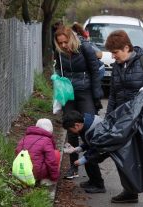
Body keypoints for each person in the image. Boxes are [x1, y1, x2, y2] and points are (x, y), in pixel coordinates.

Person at [105, 30, 143, 207]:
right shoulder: (117, 66)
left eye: (115, 52)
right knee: (124, 156)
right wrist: (109, 118)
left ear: (126, 47)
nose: (113, 56)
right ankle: (130, 192)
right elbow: (113, 94)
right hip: (123, 119)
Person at [54, 26, 103, 180]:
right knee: (71, 130)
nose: (63, 45)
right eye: (59, 43)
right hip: (68, 93)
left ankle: (94, 174)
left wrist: (96, 96)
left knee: (90, 128)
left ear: (72, 39)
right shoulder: (59, 52)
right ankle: (73, 167)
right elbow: (59, 70)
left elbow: (95, 72)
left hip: (85, 90)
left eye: (65, 42)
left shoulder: (85, 48)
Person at [62, 110, 108, 193]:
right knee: (88, 158)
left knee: (91, 159)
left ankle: (99, 185)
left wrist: (81, 160)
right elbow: (89, 142)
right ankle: (92, 181)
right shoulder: (84, 124)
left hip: (106, 146)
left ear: (77, 125)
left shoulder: (94, 129)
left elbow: (95, 148)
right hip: (98, 146)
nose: (71, 132)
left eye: (70, 129)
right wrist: (77, 149)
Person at [15, 118, 60, 185]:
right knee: (55, 154)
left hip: (21, 171)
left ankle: (23, 178)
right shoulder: (47, 140)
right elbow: (51, 161)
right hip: (36, 173)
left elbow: (17, 152)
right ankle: (45, 180)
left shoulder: (25, 138)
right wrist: (54, 178)